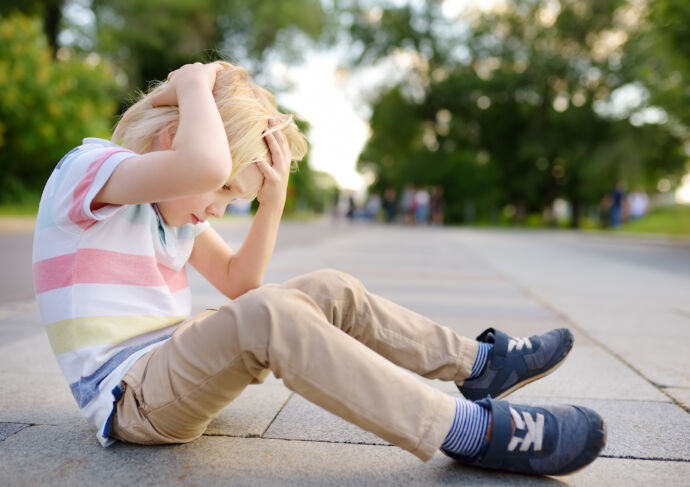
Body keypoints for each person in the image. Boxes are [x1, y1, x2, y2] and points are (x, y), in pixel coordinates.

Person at [32, 61, 605, 476]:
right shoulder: (91, 171)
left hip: (173, 367)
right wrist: (191, 81)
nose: (216, 208)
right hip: (133, 398)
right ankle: (469, 432)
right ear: (173, 138)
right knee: (270, 315)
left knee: (328, 289)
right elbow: (204, 169)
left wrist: (272, 200)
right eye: (226, 190)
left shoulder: (169, 212)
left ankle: (479, 364)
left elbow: (240, 283)